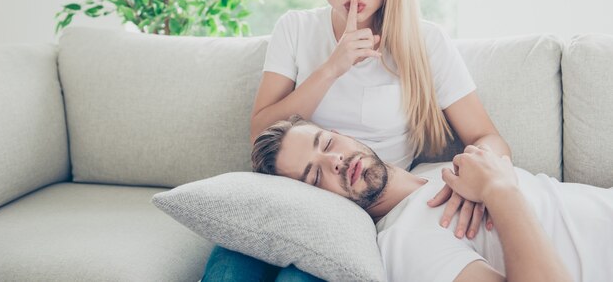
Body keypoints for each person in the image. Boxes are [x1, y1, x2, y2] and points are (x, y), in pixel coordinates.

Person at [202, 0, 511, 281]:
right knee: (230, 269)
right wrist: (333, 67)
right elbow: (259, 134)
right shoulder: (296, 29)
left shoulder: (424, 41)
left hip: (364, 208)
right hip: (293, 195)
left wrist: (482, 183)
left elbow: (488, 138)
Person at [252, 115, 613, 282]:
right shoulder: (403, 245)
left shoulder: (431, 169)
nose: (334, 161)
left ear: (339, 133)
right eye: (315, 176)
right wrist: (498, 190)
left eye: (327, 145)